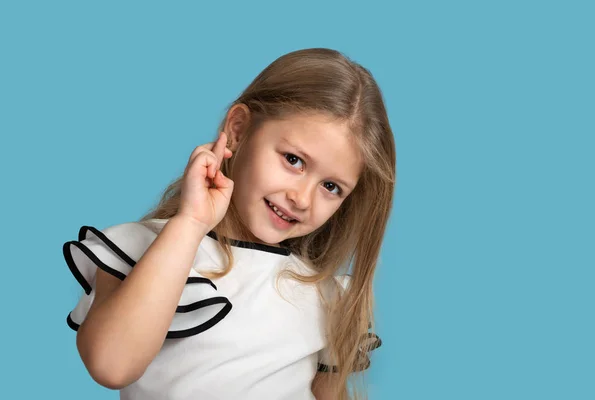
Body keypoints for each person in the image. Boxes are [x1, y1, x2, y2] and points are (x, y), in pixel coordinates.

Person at [63, 48, 395, 400]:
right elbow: (111, 365)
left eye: (331, 187)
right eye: (294, 160)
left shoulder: (325, 295)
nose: (302, 198)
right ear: (238, 130)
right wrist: (190, 223)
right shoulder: (139, 250)